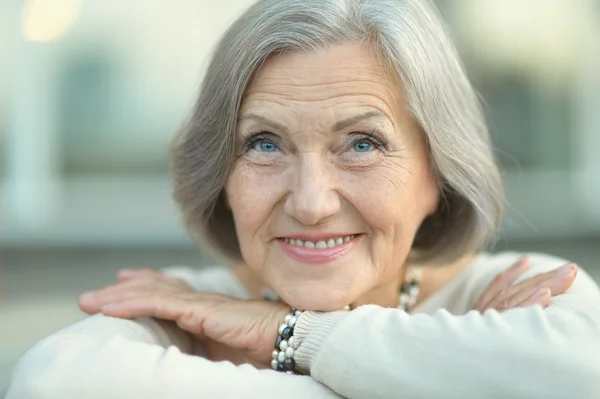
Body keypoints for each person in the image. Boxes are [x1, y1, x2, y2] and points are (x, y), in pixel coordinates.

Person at [7, 0, 600, 397]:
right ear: (221, 175)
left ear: (438, 174)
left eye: (362, 144)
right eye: (264, 144)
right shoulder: (183, 310)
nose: (312, 202)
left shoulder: (520, 287)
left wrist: (286, 335)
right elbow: (49, 383)